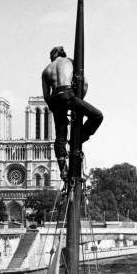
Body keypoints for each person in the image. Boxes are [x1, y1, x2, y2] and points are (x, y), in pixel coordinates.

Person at [42, 46, 103, 180]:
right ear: (62, 54)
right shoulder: (69, 61)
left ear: (52, 57)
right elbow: (84, 83)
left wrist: (56, 111)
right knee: (97, 116)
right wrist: (78, 101)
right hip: (67, 94)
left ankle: (63, 169)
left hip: (55, 99)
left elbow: (46, 96)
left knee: (60, 136)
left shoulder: (46, 70)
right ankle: (80, 137)